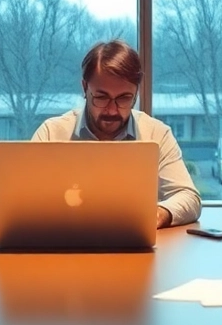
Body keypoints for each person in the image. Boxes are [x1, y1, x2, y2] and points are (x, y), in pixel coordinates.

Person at [31, 40, 201, 228]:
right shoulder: (51, 133)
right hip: (64, 247)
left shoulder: (157, 134)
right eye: (101, 97)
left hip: (137, 251)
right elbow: (25, 198)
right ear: (84, 88)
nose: (112, 110)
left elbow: (189, 197)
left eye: (124, 98)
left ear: (136, 94)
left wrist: (160, 213)